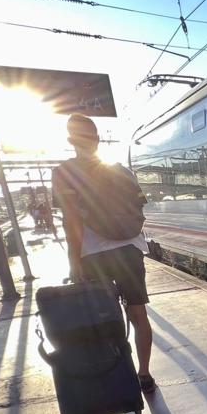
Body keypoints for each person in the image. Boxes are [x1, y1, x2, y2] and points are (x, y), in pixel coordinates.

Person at [52, 115, 156, 393]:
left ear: (70, 141)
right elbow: (140, 209)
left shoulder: (64, 172)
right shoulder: (122, 170)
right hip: (130, 249)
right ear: (97, 139)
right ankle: (144, 374)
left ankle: (115, 373)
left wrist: (74, 263)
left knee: (102, 319)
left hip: (94, 254)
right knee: (138, 314)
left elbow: (71, 221)